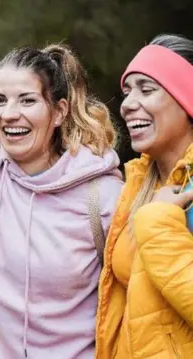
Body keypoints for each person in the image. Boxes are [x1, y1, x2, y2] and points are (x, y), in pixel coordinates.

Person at [0, 44, 122, 358]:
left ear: (58, 112)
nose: (9, 113)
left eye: (27, 100)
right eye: (0, 100)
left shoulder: (103, 197)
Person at [95, 34, 193, 358]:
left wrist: (158, 224)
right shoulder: (136, 184)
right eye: (127, 91)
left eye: (146, 90)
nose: (127, 104)